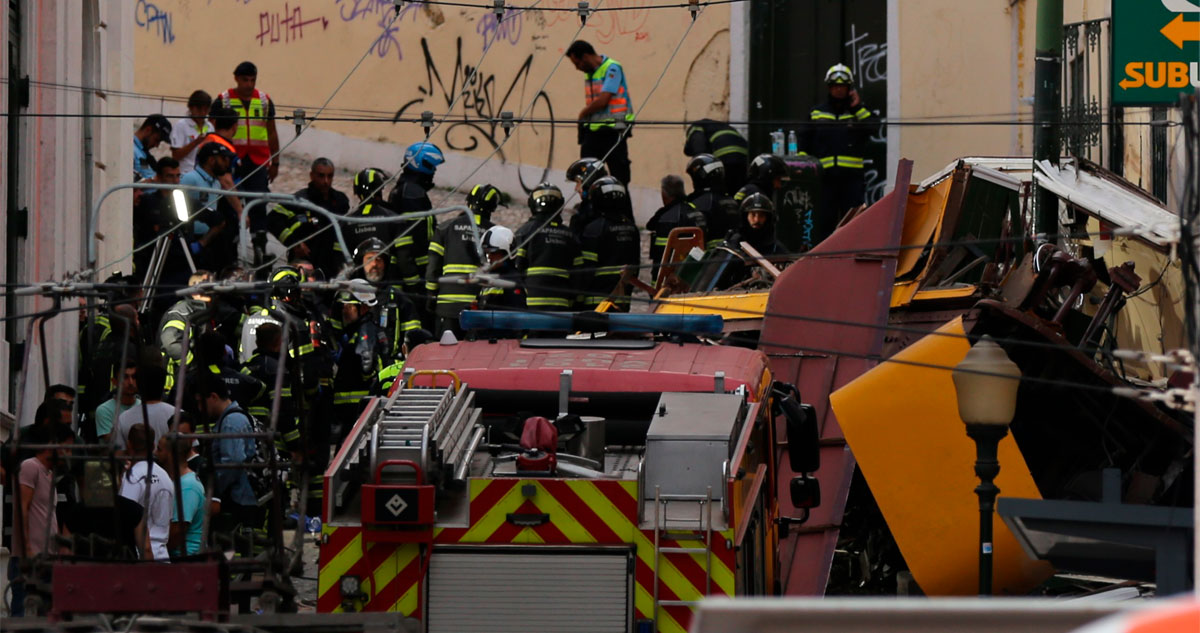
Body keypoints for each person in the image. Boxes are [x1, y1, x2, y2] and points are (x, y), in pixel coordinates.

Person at [9, 423, 72, 615]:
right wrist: (27, 549)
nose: (69, 454)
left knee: (45, 615)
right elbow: (22, 508)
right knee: (23, 614)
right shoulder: (30, 467)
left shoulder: (49, 474)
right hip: (30, 558)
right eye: (67, 448)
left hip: (46, 558)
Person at [800, 63, 875, 222]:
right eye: (835, 86)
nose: (839, 90)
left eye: (842, 86)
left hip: (852, 181)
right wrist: (804, 166)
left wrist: (857, 108)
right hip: (825, 180)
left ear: (849, 88)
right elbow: (804, 140)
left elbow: (873, 127)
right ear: (829, 87)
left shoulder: (858, 112)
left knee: (854, 223)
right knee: (825, 222)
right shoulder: (817, 112)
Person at [426, 184, 499, 336]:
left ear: (468, 202)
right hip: (479, 307)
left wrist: (431, 296)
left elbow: (433, 267)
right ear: (492, 208)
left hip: (447, 305)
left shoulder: (445, 227)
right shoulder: (495, 233)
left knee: (445, 349)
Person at [566, 40, 634, 185]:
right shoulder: (590, 73)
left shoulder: (612, 68)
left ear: (585, 57)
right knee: (587, 174)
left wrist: (582, 114)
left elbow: (603, 100)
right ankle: (589, 199)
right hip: (595, 130)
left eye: (577, 63)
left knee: (619, 178)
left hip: (614, 130)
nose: (577, 68)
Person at [196, 375, 259, 529]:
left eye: (200, 402)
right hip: (242, 496)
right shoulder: (232, 418)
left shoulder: (231, 422)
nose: (199, 408)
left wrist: (214, 490)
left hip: (239, 499)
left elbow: (233, 463)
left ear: (213, 397)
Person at [271, 158, 349, 278]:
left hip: (332, 264)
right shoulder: (299, 200)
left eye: (330, 176)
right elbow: (273, 220)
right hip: (305, 263)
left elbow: (345, 230)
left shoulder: (340, 201)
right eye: (321, 176)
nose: (326, 181)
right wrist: (294, 243)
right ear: (312, 175)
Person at [388, 142, 445, 305]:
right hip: (412, 277)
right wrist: (415, 284)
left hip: (411, 275)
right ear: (421, 164)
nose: (434, 172)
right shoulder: (412, 194)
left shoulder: (407, 189)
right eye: (432, 167)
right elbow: (405, 244)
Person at [514, 183, 581, 311]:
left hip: (530, 304)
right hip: (561, 305)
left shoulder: (524, 232)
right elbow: (578, 275)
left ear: (532, 204)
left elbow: (516, 268)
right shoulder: (570, 236)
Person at [217, 61, 280, 197]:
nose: (249, 85)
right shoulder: (224, 100)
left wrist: (275, 163)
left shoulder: (264, 101)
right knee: (229, 199)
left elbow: (272, 133)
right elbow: (214, 132)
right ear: (236, 78)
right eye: (245, 80)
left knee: (258, 201)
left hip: (258, 161)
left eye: (253, 80)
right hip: (231, 159)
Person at [579, 177, 640, 311]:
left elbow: (586, 271)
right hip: (622, 302)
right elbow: (636, 266)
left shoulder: (594, 229)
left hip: (596, 303)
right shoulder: (632, 228)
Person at [119, 423, 174, 561]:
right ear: (153, 446)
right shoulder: (165, 476)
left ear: (129, 445)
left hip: (141, 559)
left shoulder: (132, 478)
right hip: (163, 557)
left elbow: (125, 521)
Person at [133, 156, 184, 280]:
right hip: (150, 258)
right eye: (170, 176)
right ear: (159, 177)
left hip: (179, 260)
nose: (175, 181)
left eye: (178, 176)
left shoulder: (183, 200)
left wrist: (199, 245)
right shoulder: (147, 201)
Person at [646, 175, 706, 280]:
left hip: (670, 279)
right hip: (695, 272)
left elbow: (662, 254)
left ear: (664, 193)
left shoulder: (666, 217)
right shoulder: (696, 211)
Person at [115, 364, 176, 451]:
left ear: (139, 386)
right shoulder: (178, 415)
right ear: (163, 385)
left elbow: (119, 453)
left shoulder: (123, 418)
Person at [163, 433, 205, 557]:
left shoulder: (188, 486)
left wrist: (156, 550)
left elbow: (178, 531)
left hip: (184, 558)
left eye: (159, 449)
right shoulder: (176, 481)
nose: (155, 453)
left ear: (170, 454)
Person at [686, 154, 740, 248]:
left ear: (701, 176)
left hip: (710, 255)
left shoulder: (702, 203)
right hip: (733, 253)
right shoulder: (731, 201)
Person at [684, 119, 749, 194]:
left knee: (719, 189)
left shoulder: (695, 128)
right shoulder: (720, 126)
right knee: (736, 189)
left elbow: (699, 148)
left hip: (724, 157)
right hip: (743, 159)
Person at [476, 226, 525, 312]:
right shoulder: (489, 278)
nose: (489, 257)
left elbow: (516, 316)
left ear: (507, 254)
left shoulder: (512, 281)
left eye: (493, 253)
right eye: (487, 253)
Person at [96, 361, 140, 445]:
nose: (131, 382)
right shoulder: (104, 410)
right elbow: (112, 444)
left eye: (134, 377)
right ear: (114, 381)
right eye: (125, 377)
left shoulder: (144, 407)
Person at [171, 90, 214, 173]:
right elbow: (175, 156)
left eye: (206, 110)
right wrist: (195, 142)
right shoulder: (181, 125)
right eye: (199, 109)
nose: (202, 113)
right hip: (185, 172)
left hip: (204, 173)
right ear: (191, 107)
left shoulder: (210, 127)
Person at [565, 158, 608, 239]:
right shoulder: (587, 209)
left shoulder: (590, 215)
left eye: (578, 182)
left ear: (588, 183)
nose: (576, 189)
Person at [134, 114, 173, 180]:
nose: (156, 145)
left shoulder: (143, 154)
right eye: (156, 140)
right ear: (148, 130)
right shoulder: (132, 150)